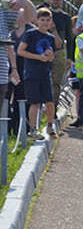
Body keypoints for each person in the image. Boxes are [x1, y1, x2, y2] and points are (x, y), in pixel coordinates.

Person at [15, 7, 59, 139]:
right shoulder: (30, 34)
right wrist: (38, 57)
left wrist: (50, 56)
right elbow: (20, 51)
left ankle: (50, 126)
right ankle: (33, 130)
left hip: (45, 73)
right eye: (42, 20)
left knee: (50, 102)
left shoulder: (50, 37)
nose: (45, 22)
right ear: (37, 21)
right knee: (35, 103)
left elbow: (51, 57)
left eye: (47, 20)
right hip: (31, 73)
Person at [38, 0, 72, 99]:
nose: (55, 2)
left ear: (61, 0)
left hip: (58, 51)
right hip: (42, 50)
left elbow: (70, 38)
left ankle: (53, 106)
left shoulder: (65, 17)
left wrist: (70, 58)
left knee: (56, 82)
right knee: (42, 79)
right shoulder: (43, 13)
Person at [6, 0, 31, 135]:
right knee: (6, 97)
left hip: (25, 67)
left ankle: (20, 130)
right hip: (9, 67)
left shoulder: (30, 31)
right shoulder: (8, 31)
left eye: (20, 13)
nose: (18, 16)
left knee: (21, 98)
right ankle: (7, 128)